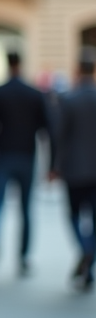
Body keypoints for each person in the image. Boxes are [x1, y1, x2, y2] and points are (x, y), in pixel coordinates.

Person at [0, 51, 52, 276]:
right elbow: (47, 128)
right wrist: (51, 162)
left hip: (3, 156)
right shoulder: (33, 93)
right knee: (26, 209)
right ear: (21, 63)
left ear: (7, 63)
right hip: (27, 156)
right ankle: (23, 257)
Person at [50, 52, 96, 290]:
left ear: (78, 70)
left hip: (75, 171)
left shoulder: (68, 99)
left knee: (73, 215)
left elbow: (58, 137)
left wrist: (53, 166)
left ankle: (85, 251)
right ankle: (89, 258)